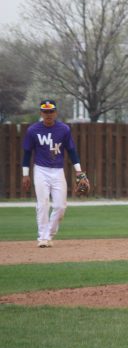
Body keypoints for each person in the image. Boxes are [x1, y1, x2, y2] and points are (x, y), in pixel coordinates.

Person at [21, 99, 86, 248]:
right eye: (45, 111)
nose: (48, 114)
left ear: (55, 112)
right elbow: (27, 153)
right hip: (40, 170)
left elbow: (72, 151)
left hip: (58, 170)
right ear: (41, 113)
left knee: (61, 206)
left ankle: (49, 233)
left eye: (51, 111)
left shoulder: (64, 129)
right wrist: (25, 174)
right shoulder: (33, 130)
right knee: (43, 204)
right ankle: (43, 237)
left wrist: (79, 172)